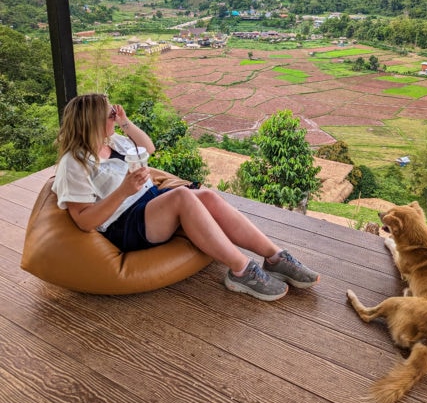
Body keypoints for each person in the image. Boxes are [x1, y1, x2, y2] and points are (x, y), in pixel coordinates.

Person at [52, 93, 320, 301]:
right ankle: (241, 271)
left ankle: (275, 258)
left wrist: (125, 122)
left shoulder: (115, 142)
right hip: (123, 222)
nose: (114, 114)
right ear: (93, 120)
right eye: (110, 113)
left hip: (149, 201)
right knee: (182, 196)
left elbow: (148, 147)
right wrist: (123, 190)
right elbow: (84, 221)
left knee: (207, 197)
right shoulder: (75, 163)